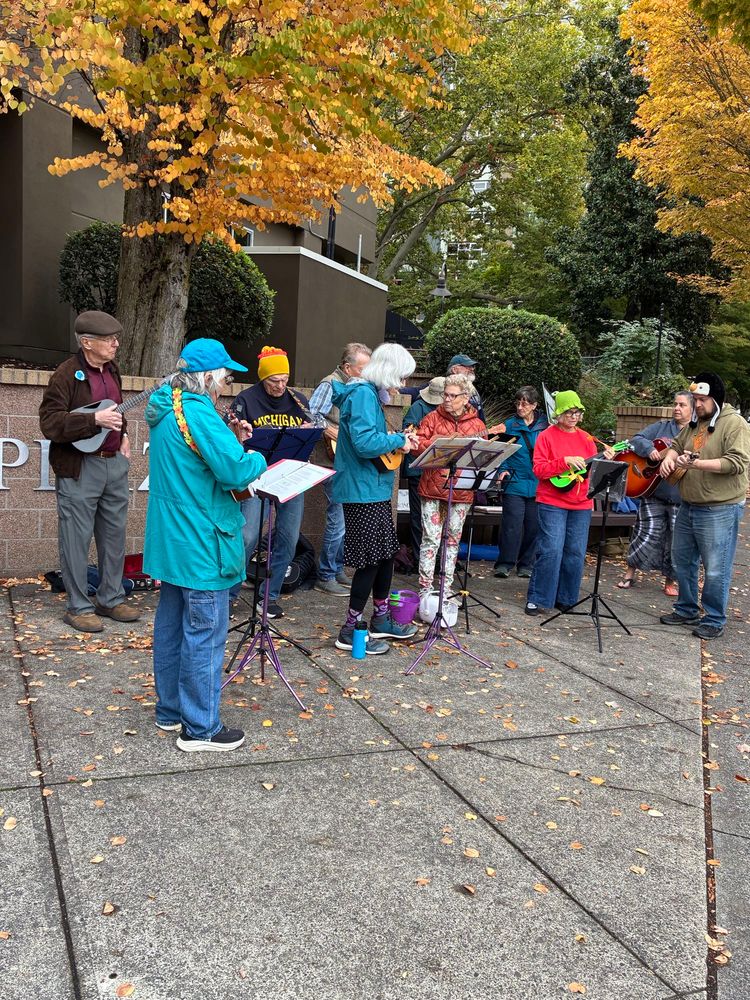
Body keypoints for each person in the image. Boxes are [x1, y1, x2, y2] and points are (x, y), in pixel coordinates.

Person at [143, 339, 266, 752]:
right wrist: (256, 456)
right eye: (224, 375)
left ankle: (171, 710)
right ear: (208, 375)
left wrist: (228, 436)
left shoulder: (167, 404)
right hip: (203, 539)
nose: (226, 383)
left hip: (173, 539)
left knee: (172, 626)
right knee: (205, 633)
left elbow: (194, 459)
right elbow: (234, 471)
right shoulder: (199, 411)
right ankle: (200, 728)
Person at [38, 310, 141, 633]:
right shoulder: (66, 374)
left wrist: (122, 435)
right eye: (108, 340)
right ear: (86, 343)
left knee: (113, 536)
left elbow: (116, 411)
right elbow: (50, 423)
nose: (116, 344)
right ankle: (78, 606)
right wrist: (93, 422)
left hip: (113, 463)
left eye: (116, 339)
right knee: (76, 538)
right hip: (80, 467)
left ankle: (110, 598)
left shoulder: (113, 371)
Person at [329, 343, 420, 654]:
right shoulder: (363, 394)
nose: (402, 385)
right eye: (401, 377)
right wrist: (400, 440)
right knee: (370, 559)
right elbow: (366, 443)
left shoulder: (366, 394)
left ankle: (381, 620)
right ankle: (350, 630)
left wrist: (398, 439)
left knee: (384, 554)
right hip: (362, 490)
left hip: (372, 488)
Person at [658, 372, 750, 640]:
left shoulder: (735, 424)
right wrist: (671, 457)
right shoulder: (697, 423)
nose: (696, 405)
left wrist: (696, 464)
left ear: (716, 398)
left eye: (701, 400)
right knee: (683, 560)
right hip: (689, 504)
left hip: (719, 509)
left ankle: (714, 618)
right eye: (695, 399)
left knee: (716, 566)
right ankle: (687, 608)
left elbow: (736, 463)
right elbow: (676, 444)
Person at [229, 346, 311, 618]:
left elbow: (311, 436)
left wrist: (309, 432)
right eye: (273, 380)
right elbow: (232, 438)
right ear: (262, 378)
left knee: (288, 537)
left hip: (289, 475)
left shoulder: (298, 401)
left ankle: (269, 595)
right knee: (248, 535)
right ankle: (228, 594)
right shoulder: (245, 399)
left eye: (284, 380)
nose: (279, 386)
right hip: (255, 474)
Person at [524, 390, 614, 616]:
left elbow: (592, 472)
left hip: (581, 503)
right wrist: (563, 462)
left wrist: (607, 458)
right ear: (558, 414)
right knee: (551, 549)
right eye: (569, 412)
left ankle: (566, 598)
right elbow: (539, 469)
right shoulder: (546, 436)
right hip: (552, 501)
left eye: (578, 412)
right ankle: (539, 597)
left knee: (574, 551)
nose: (574, 416)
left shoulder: (587, 439)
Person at [413, 374, 487, 597]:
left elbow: (482, 458)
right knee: (431, 539)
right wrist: (438, 442)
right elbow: (416, 445)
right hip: (433, 487)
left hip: (462, 489)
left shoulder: (477, 424)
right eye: (445, 394)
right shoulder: (432, 418)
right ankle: (425, 590)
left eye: (452, 396)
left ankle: (446, 590)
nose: (446, 399)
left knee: (453, 540)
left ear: (465, 398)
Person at [308, 343, 372, 596]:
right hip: (331, 459)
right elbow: (312, 415)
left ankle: (335, 569)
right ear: (347, 367)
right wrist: (334, 432)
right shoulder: (329, 383)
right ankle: (325, 574)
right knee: (338, 519)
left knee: (343, 518)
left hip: (345, 460)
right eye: (362, 369)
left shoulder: (359, 386)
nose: (367, 374)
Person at [617, 391, 692, 595]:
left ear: (692, 409)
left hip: (681, 496)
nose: (677, 408)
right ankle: (629, 573)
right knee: (644, 533)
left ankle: (670, 582)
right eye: (675, 404)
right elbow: (637, 438)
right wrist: (649, 450)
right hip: (653, 491)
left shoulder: (697, 434)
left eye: (682, 405)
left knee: (676, 541)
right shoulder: (662, 427)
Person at [493, 386, 548, 579]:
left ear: (534, 405)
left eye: (525, 402)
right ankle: (504, 564)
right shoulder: (509, 425)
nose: (520, 406)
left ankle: (526, 564)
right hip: (514, 481)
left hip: (538, 483)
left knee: (533, 526)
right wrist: (503, 470)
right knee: (512, 525)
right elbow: (503, 452)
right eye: (518, 402)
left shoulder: (546, 427)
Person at [402, 377, 445, 565]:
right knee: (419, 516)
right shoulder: (418, 408)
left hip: (439, 472)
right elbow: (408, 433)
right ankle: (421, 558)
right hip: (418, 470)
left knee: (438, 518)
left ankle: (436, 558)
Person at [447, 353, 483, 420]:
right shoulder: (446, 389)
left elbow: (480, 413)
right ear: (454, 370)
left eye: (472, 366)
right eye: (467, 366)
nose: (472, 369)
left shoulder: (472, 388)